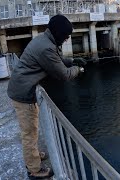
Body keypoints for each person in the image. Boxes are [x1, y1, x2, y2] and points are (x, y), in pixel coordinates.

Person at [7, 14, 85, 179]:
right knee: (29, 133)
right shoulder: (46, 47)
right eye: (65, 36)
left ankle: (33, 155)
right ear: (58, 33)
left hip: (23, 88)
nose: (67, 39)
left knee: (33, 129)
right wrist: (78, 69)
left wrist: (71, 60)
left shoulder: (45, 39)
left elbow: (56, 60)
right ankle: (34, 169)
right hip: (23, 93)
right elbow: (63, 75)